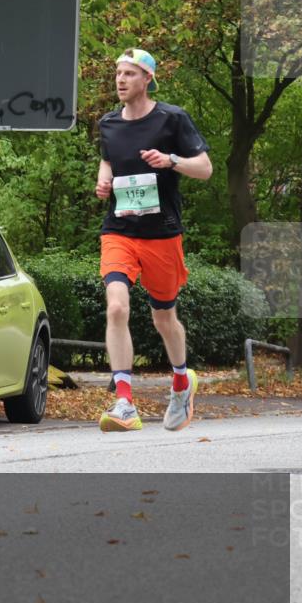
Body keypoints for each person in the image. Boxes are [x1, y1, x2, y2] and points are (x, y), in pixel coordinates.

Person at [94, 48, 213, 433]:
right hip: (119, 230)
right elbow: (109, 159)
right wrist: (104, 179)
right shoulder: (108, 123)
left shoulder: (172, 118)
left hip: (162, 234)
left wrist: (171, 161)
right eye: (118, 73)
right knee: (116, 307)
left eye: (129, 73)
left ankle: (181, 381)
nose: (121, 79)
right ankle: (124, 402)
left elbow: (205, 169)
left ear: (147, 79)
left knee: (164, 317)